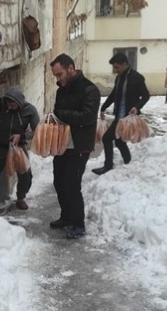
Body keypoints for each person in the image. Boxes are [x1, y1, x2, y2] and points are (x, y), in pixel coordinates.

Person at [49, 53, 100, 239]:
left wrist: (63, 114)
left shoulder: (89, 89)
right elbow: (58, 112)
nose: (58, 79)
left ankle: (78, 224)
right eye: (55, 75)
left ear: (71, 68)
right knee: (59, 181)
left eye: (60, 74)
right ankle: (66, 216)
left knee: (72, 184)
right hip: (63, 145)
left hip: (79, 146)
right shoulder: (61, 89)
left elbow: (87, 116)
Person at [92, 53, 150, 175]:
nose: (115, 70)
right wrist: (103, 107)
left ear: (125, 64)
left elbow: (146, 95)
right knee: (119, 141)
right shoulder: (119, 77)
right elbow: (114, 94)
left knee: (107, 138)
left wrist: (137, 107)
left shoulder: (137, 77)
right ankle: (128, 163)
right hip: (119, 116)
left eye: (117, 67)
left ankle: (108, 166)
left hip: (128, 117)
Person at [0, 86, 40, 211]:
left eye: (12, 105)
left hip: (18, 146)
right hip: (0, 145)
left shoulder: (30, 110)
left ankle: (21, 197)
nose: (9, 107)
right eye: (8, 104)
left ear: (19, 103)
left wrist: (22, 135)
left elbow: (37, 131)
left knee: (25, 172)